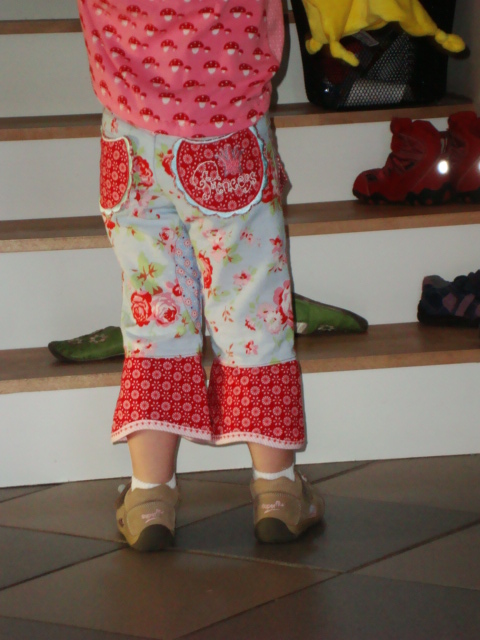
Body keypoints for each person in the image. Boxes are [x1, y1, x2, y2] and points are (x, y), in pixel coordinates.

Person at [77, 0, 324, 551]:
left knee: (153, 310)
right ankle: (278, 491)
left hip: (129, 133)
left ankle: (149, 498)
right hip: (226, 123)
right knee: (251, 308)